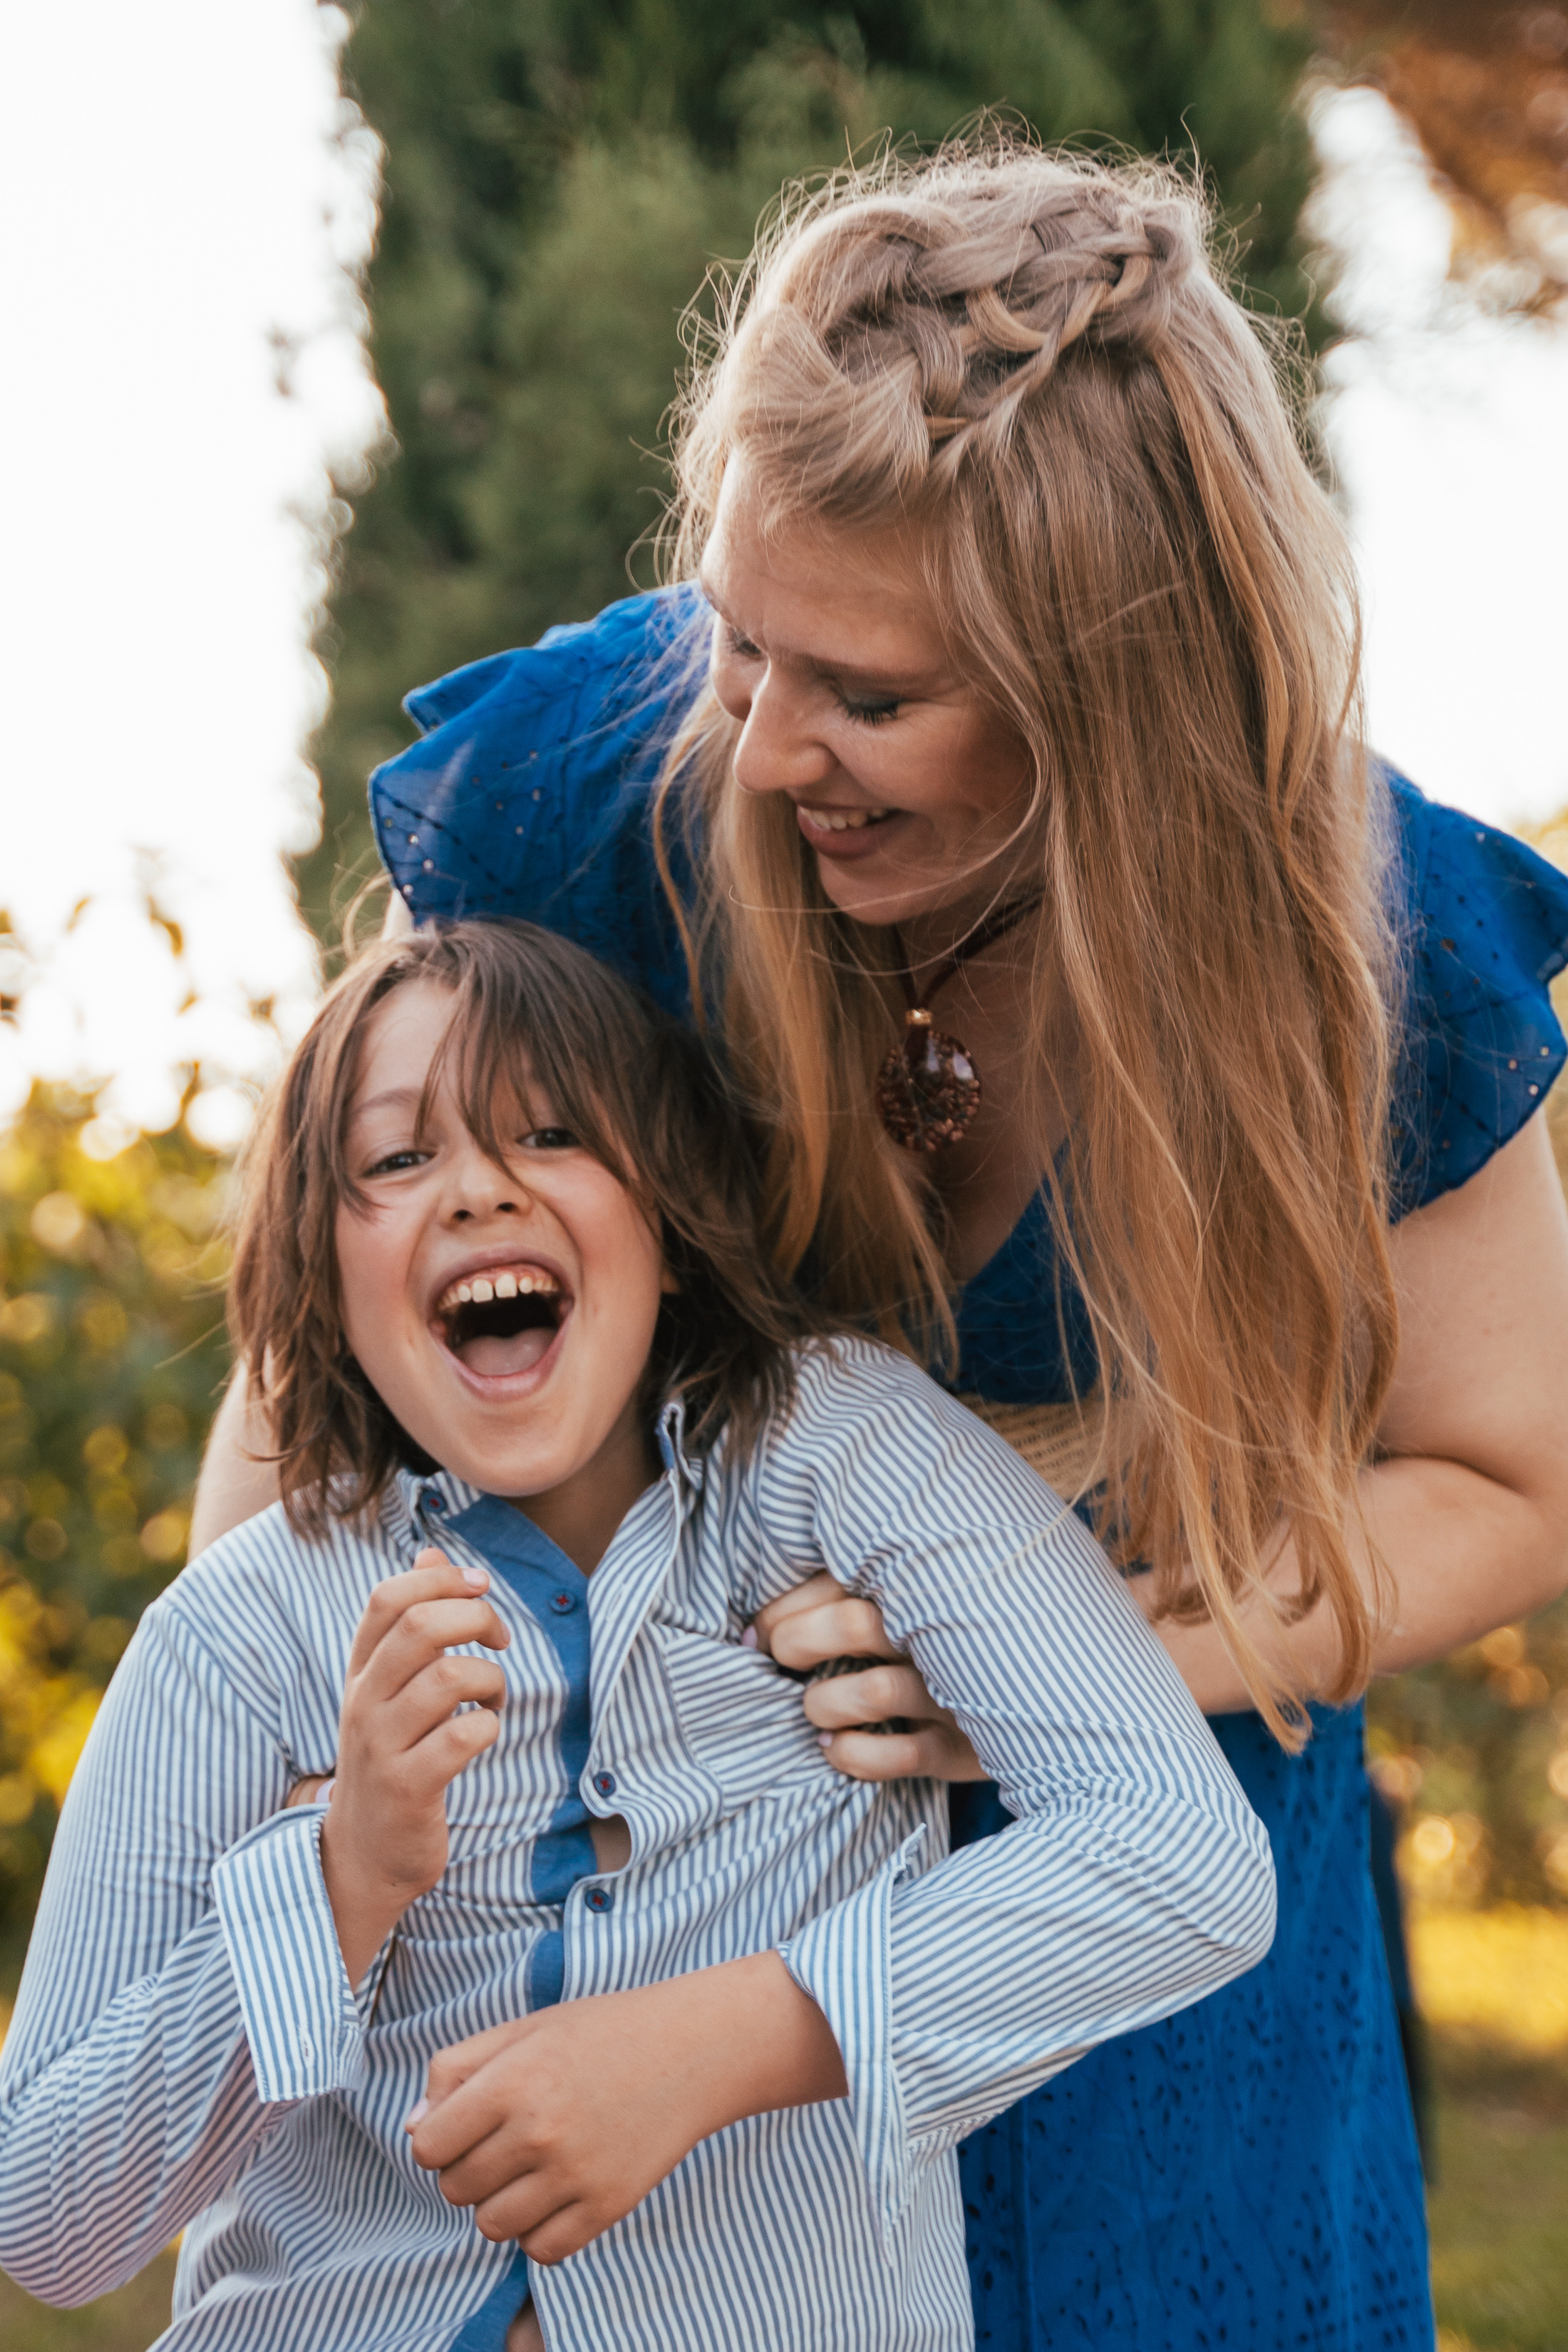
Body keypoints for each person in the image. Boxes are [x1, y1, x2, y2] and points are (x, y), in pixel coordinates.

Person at [192, 143, 1568, 2346]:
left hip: (1146, 1978)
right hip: (633, 1990)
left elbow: (1510, 1478)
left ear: (1108, 692)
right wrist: (277, 1832)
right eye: (740, 635)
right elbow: (326, 1364)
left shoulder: (1365, 933)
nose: (758, 736)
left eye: (867, 694)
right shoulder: (599, 793)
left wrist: (1073, 1646)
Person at [0, 921, 1274, 2351]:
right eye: (397, 1159)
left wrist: (719, 2044)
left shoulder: (844, 1454)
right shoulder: (242, 1633)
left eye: (548, 1133)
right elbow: (49, 2220)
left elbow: (1181, 1856)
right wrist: (341, 1873)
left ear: (663, 1228)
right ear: (328, 1276)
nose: (478, 1190)